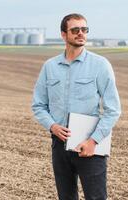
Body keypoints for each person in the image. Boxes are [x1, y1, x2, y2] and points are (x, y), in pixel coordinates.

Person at [31, 13, 121, 200]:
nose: (81, 33)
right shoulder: (50, 66)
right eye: (75, 30)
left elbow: (113, 109)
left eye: (84, 29)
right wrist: (52, 126)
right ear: (64, 34)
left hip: (91, 147)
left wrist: (93, 141)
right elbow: (39, 105)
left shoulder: (100, 65)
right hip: (59, 145)